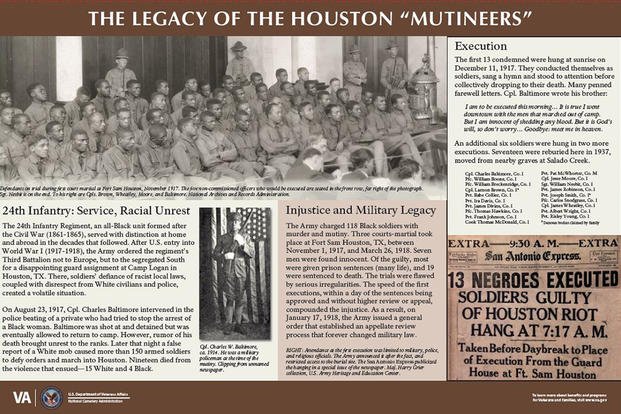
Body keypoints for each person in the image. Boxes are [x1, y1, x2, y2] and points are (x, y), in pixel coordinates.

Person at [212, 211, 255, 335]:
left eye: (237, 222)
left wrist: (242, 244)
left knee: (240, 299)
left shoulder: (245, 237)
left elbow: (251, 254)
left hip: (241, 271)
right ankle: (229, 324)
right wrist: (224, 256)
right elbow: (215, 254)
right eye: (232, 221)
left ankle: (239, 324)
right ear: (229, 222)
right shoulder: (223, 238)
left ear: (240, 223)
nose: (234, 224)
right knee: (230, 299)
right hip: (228, 271)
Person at [195, 111, 257, 181]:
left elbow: (234, 152)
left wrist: (220, 155)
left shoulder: (218, 133)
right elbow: (207, 162)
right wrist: (227, 155)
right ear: (202, 123)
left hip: (228, 163)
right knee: (237, 176)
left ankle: (250, 189)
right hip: (215, 168)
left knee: (248, 167)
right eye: (210, 122)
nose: (214, 123)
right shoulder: (200, 139)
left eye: (214, 121)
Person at [366, 94, 425, 168]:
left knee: (404, 146)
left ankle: (411, 170)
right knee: (406, 136)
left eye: (384, 101)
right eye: (381, 101)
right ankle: (421, 165)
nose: (384, 103)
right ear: (374, 103)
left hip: (391, 141)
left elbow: (396, 129)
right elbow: (375, 136)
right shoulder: (371, 117)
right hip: (381, 144)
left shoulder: (387, 115)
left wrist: (389, 131)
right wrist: (390, 131)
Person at [341, 100, 387, 177]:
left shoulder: (363, 119)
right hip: (353, 146)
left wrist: (372, 134)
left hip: (365, 143)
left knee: (379, 143)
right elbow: (342, 139)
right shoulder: (345, 123)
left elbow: (369, 130)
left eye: (360, 109)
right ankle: (380, 177)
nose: (359, 111)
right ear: (350, 111)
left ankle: (380, 175)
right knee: (383, 155)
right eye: (357, 109)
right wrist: (353, 137)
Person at [228, 110, 278, 181]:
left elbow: (261, 152)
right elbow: (234, 159)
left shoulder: (253, 134)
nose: (248, 123)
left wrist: (261, 162)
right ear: (236, 122)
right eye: (244, 121)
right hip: (246, 168)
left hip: (259, 165)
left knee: (274, 172)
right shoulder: (231, 138)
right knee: (256, 180)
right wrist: (252, 165)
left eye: (248, 121)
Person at [258, 103, 298, 178]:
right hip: (275, 160)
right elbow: (271, 149)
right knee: (289, 175)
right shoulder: (264, 131)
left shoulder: (285, 128)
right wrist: (287, 143)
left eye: (281, 112)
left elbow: (296, 146)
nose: (281, 115)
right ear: (269, 115)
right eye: (278, 113)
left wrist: (279, 148)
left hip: (290, 157)